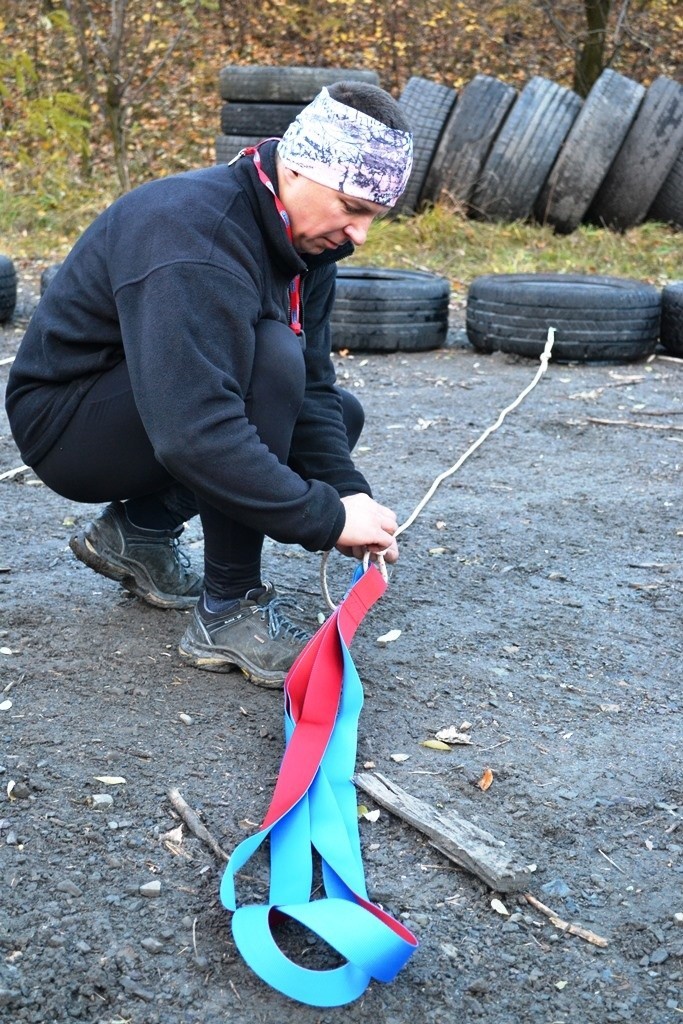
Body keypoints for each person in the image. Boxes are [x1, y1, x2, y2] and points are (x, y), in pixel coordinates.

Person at [5, 80, 413, 688]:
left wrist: (348, 492)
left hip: (153, 404)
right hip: (68, 424)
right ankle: (229, 607)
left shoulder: (306, 245)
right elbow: (195, 432)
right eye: (353, 209)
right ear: (298, 168)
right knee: (271, 358)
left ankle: (137, 532)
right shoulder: (196, 237)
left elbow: (317, 390)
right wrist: (324, 518)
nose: (360, 236)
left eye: (373, 218)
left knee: (332, 409)